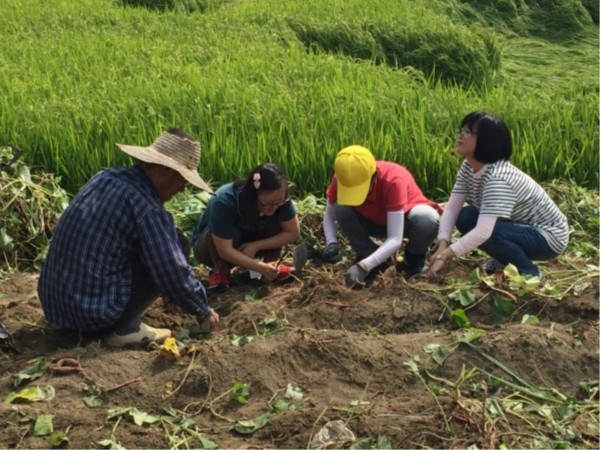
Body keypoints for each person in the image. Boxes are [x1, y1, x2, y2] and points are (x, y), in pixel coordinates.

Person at [38, 128, 219, 346]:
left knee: (165, 239)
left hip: (56, 306)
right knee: (175, 244)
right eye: (182, 181)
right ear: (165, 171)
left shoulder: (104, 177)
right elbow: (171, 269)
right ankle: (125, 329)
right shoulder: (146, 206)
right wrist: (202, 309)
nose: (181, 190)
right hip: (92, 314)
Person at [427, 111, 569, 280]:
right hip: (516, 226)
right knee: (465, 217)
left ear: (486, 140)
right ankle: (505, 260)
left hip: (548, 237)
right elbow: (451, 209)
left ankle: (530, 272)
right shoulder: (468, 166)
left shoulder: (498, 178)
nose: (460, 136)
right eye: (461, 130)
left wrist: (446, 255)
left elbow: (483, 232)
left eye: (468, 132)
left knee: (491, 233)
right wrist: (443, 244)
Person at [321, 145, 441, 288]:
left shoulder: (394, 180)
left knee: (427, 218)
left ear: (374, 177)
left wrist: (363, 267)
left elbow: (395, 239)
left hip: (404, 222)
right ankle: (368, 253)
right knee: (339, 206)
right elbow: (329, 215)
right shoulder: (343, 177)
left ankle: (414, 259)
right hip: (369, 221)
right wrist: (331, 243)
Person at [191, 162, 301, 289]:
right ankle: (220, 270)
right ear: (254, 195)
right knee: (230, 231)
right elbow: (224, 250)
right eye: (268, 203)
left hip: (250, 241)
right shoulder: (225, 200)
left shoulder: (280, 200)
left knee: (274, 220)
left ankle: (271, 265)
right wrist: (259, 267)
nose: (273, 207)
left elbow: (293, 232)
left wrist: (256, 246)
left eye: (279, 202)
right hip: (212, 247)